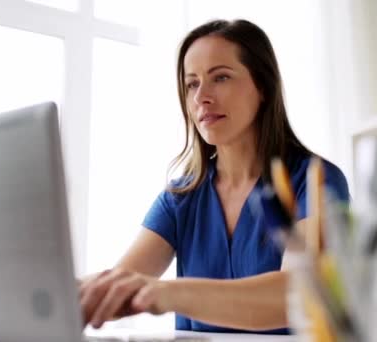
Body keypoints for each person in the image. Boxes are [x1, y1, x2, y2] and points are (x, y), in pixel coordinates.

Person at [79, 19, 349, 335]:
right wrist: (50, 290)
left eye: (220, 77)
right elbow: (119, 284)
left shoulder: (316, 181)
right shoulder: (179, 198)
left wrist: (166, 293)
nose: (201, 97)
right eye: (192, 83)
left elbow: (297, 295)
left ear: (263, 87)